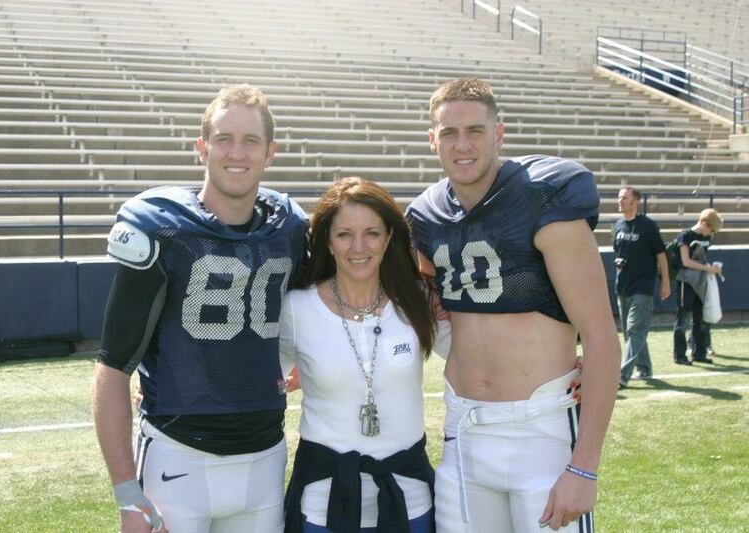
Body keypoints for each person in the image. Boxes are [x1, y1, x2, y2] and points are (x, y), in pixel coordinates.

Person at [405, 78, 620, 533]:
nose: (462, 144)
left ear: (499, 133)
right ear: (432, 140)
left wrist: (584, 468)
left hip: (540, 430)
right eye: (448, 133)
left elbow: (601, 335)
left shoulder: (545, 196)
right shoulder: (425, 215)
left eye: (475, 130)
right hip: (463, 430)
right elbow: (426, 295)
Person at [92, 84, 308, 533]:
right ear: (201, 147)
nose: (237, 152)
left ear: (271, 153)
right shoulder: (162, 227)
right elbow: (112, 368)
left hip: (265, 459)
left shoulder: (289, 228)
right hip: (178, 456)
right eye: (224, 138)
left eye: (250, 141)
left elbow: (328, 302)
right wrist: (127, 494)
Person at [280, 177, 449, 533]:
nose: (358, 246)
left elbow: (476, 358)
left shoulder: (418, 300)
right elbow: (259, 378)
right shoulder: (296, 307)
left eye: (372, 232)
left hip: (409, 498)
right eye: (344, 234)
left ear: (389, 237)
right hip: (323, 502)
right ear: (327, 240)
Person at [612, 187, 670, 387]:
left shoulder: (648, 225)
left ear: (636, 201)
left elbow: (661, 254)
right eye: (619, 197)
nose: (620, 200)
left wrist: (665, 282)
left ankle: (622, 375)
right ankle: (644, 368)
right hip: (623, 285)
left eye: (624, 197)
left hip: (643, 286)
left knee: (635, 328)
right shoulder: (618, 225)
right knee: (631, 333)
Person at [672, 208, 724, 365]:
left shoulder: (706, 236)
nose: (711, 234)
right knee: (683, 320)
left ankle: (699, 353)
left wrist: (710, 267)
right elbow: (686, 261)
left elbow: (701, 259)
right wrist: (709, 268)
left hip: (701, 282)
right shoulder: (686, 236)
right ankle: (680, 355)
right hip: (686, 282)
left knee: (700, 319)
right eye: (711, 229)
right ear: (703, 223)